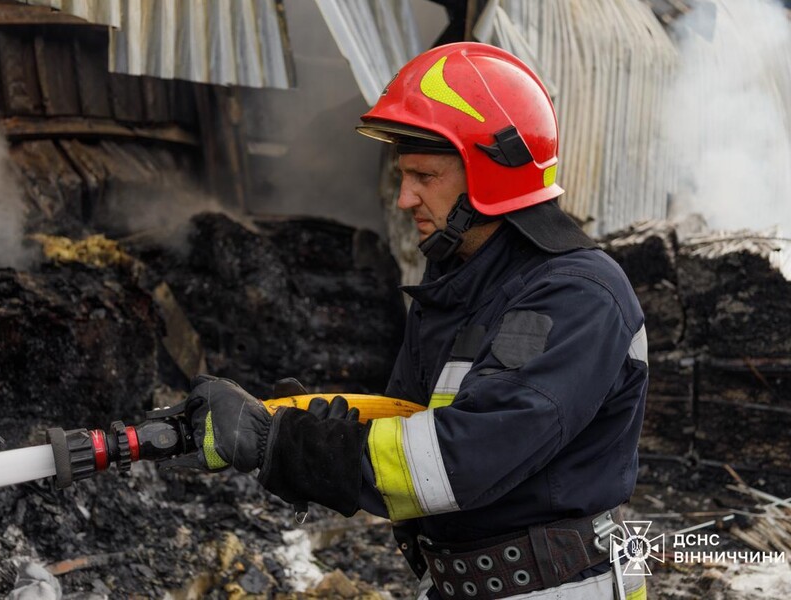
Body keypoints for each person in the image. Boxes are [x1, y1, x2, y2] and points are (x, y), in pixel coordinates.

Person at [184, 42, 649, 600]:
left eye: (425, 176)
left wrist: (286, 445)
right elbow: (410, 421)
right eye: (404, 175)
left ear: (494, 177)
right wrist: (297, 422)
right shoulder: (462, 285)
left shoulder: (576, 295)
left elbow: (464, 457)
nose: (405, 198)